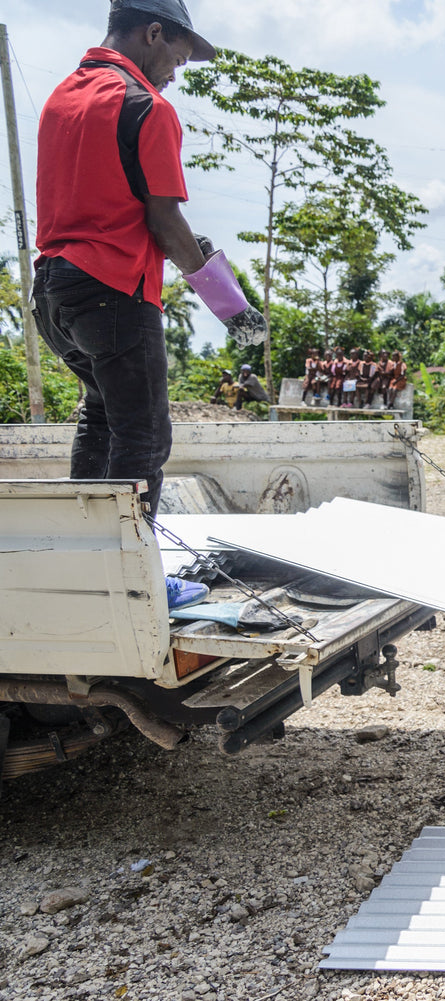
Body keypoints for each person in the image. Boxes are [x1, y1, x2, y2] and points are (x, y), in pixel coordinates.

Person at [32, 0, 265, 610]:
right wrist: (231, 307)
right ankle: (133, 579)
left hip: (54, 290)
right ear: (152, 33)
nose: (174, 74)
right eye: (176, 58)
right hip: (113, 293)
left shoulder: (62, 97)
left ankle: (88, 566)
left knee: (101, 416)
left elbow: (104, 199)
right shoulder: (145, 107)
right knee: (144, 436)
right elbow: (164, 218)